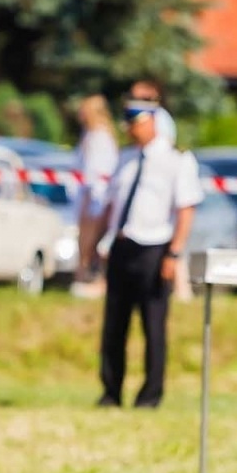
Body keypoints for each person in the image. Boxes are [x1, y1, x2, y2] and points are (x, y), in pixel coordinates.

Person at [93, 97, 202, 409]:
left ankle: (150, 395)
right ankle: (110, 391)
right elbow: (111, 207)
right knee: (114, 326)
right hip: (122, 247)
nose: (130, 127)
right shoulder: (125, 158)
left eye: (137, 120)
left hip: (154, 249)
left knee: (153, 327)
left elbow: (185, 210)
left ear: (155, 122)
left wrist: (174, 254)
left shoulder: (176, 160)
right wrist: (100, 243)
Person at [72, 95, 120, 295]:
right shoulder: (91, 134)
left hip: (95, 196)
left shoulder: (99, 137)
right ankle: (83, 276)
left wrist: (91, 198)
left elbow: (97, 170)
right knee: (85, 240)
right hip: (89, 193)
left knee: (90, 242)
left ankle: (88, 277)